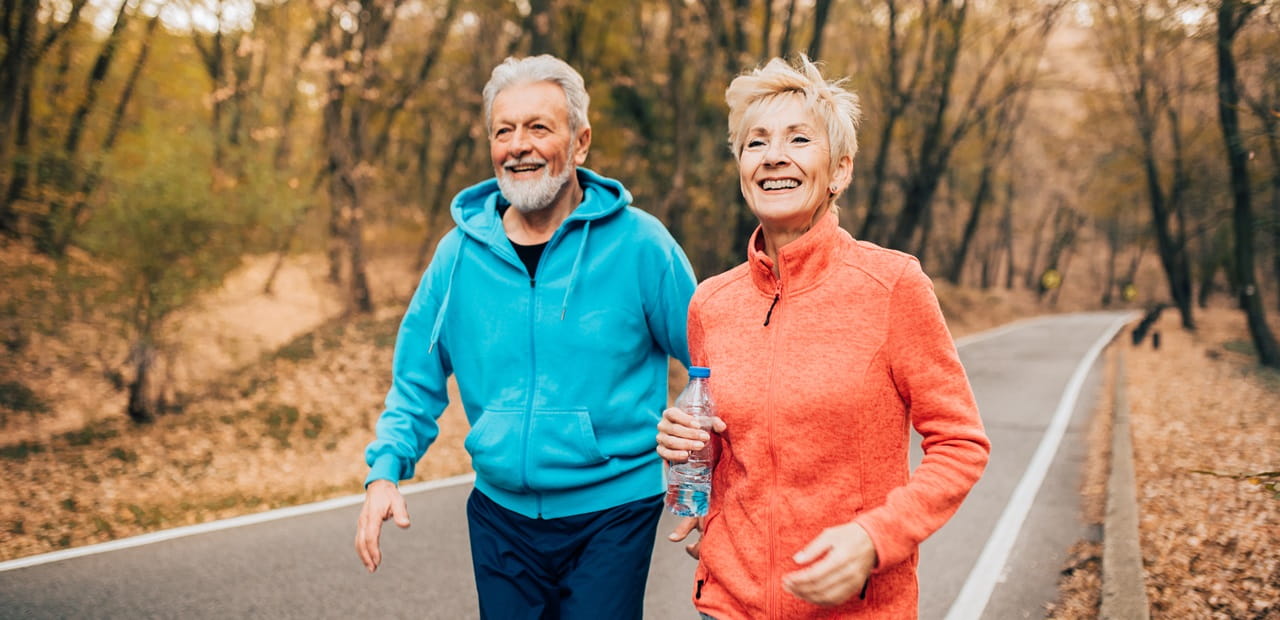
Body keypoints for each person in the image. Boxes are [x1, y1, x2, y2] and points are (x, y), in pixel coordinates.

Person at [355, 54, 697, 620]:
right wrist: (386, 468)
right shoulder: (457, 255)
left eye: (539, 127)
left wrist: (701, 478)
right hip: (499, 513)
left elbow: (715, 364)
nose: (519, 145)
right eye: (503, 130)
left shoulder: (642, 245)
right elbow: (415, 380)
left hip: (615, 509)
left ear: (580, 142)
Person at [656, 56, 991, 619]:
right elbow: (724, 446)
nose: (774, 157)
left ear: (839, 171)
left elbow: (961, 445)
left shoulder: (892, 286)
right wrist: (686, 448)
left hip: (855, 609)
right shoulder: (712, 302)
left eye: (799, 139)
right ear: (741, 166)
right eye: (755, 143)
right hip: (727, 603)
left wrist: (875, 538)